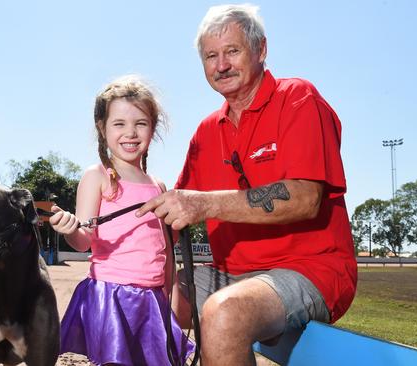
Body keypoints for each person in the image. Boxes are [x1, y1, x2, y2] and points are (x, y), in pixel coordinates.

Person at [136, 3, 357, 365]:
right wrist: (103, 231)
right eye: (210, 56)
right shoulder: (207, 132)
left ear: (261, 50)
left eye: (232, 51)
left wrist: (204, 204)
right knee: (143, 300)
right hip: (229, 274)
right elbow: (174, 217)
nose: (221, 65)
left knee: (224, 313)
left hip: (309, 270)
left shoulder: (298, 99)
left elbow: (305, 198)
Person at [49, 75, 195, 365]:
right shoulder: (97, 176)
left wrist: (169, 300)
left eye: (140, 123)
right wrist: (69, 230)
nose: (131, 133)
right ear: (102, 128)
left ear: (153, 128)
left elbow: (165, 252)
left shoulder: (159, 185)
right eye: (119, 124)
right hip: (112, 298)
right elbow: (83, 240)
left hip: (153, 301)